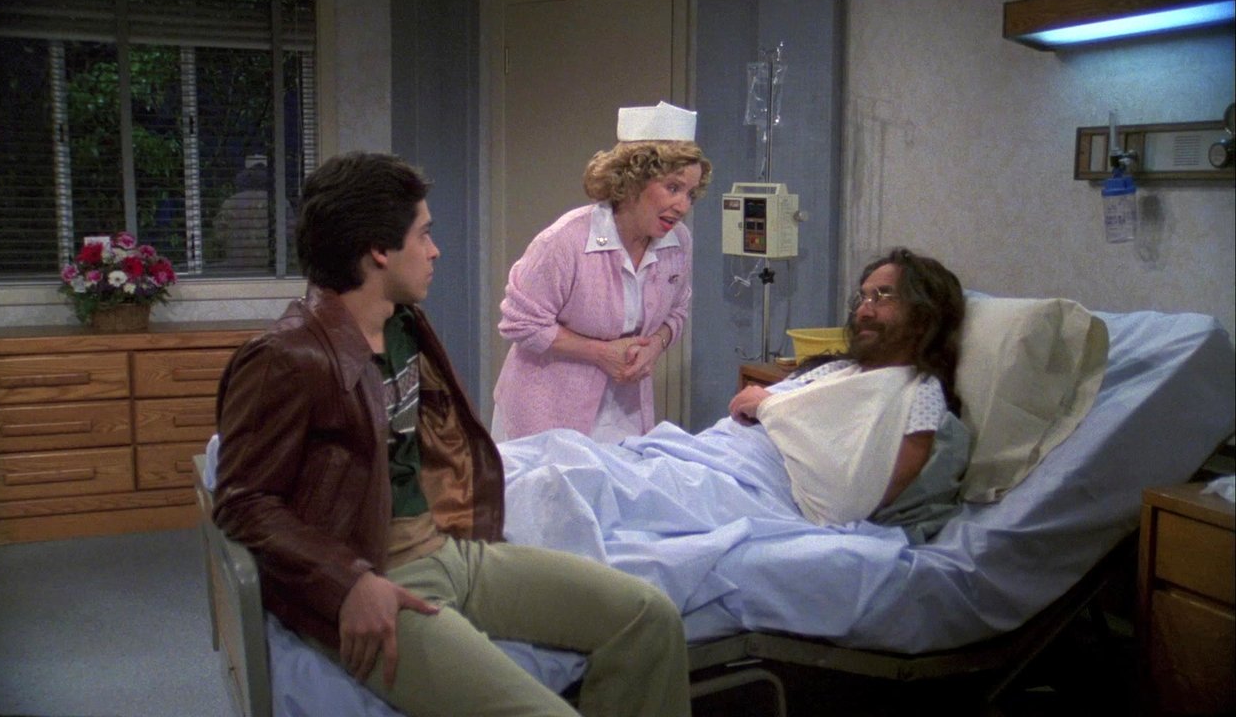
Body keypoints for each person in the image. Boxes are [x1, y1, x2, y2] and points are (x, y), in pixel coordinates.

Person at [212, 152, 691, 717]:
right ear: (379, 250)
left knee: (649, 616)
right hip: (381, 574)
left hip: (448, 551)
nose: (435, 250)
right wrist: (348, 583)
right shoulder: (286, 357)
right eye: (424, 234)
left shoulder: (402, 325)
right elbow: (243, 502)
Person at [493, 101, 712, 443]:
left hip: (625, 413)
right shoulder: (565, 241)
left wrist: (656, 344)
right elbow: (520, 323)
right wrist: (600, 354)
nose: (683, 206)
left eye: (691, 194)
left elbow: (678, 309)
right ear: (634, 180)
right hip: (546, 416)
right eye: (673, 188)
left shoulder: (678, 242)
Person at [728, 247, 966, 515]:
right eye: (863, 298)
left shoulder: (919, 391)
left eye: (883, 297)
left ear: (922, 317)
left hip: (758, 490)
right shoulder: (839, 369)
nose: (863, 311)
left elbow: (851, 498)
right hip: (726, 458)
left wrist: (768, 406)